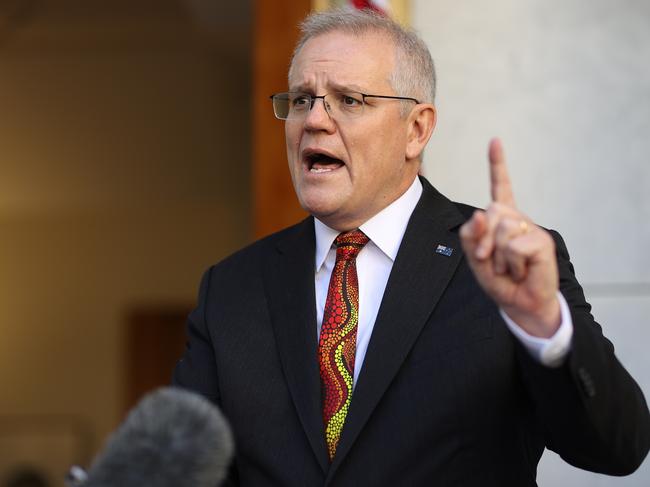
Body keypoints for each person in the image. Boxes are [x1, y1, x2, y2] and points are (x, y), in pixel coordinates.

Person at [173, 8, 650, 486]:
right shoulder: (232, 287)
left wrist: (546, 327)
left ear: (417, 129)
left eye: (349, 100)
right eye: (301, 100)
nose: (314, 120)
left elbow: (619, 447)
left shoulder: (504, 264)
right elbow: (187, 468)